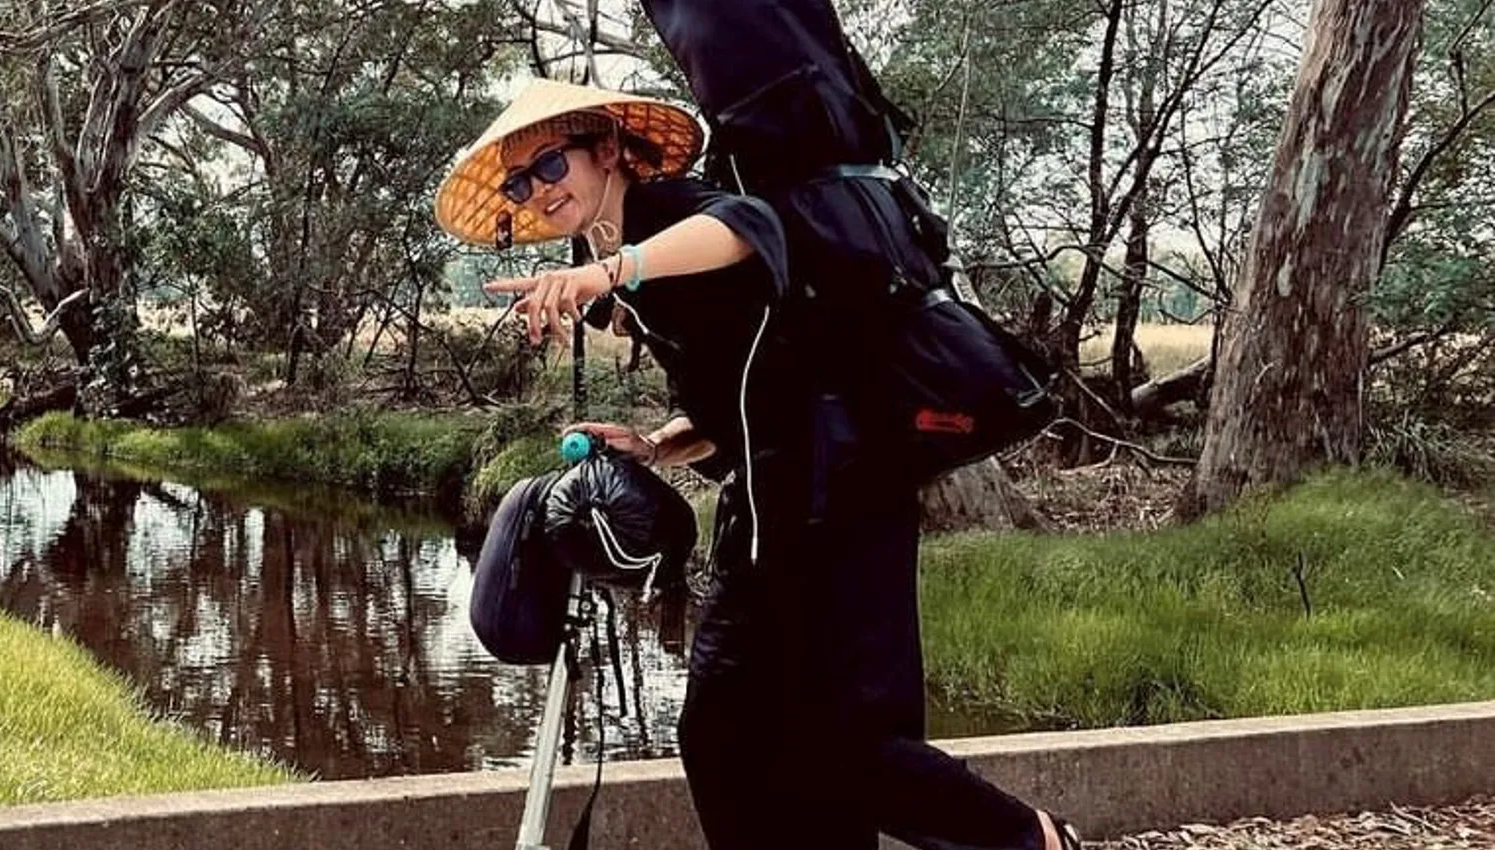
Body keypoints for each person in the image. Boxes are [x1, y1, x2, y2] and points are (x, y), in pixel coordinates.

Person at [434, 76, 1084, 850]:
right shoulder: (624, 260)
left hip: (843, 493)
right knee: (718, 730)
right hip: (763, 509)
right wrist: (659, 444)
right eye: (519, 183)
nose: (537, 193)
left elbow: (754, 226)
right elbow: (747, 392)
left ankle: (1033, 840)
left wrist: (612, 271)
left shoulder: (669, 213)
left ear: (606, 151)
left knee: (849, 744)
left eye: (549, 167)